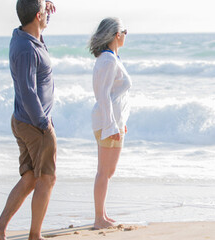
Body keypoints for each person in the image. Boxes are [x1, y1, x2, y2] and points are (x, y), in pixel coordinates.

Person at [0, 0, 57, 239]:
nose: (47, 16)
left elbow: (39, 29)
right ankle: (35, 235)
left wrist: (45, 8)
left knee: (29, 178)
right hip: (34, 124)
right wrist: (43, 124)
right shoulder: (27, 48)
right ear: (38, 16)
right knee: (46, 179)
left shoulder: (25, 38)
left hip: (23, 120)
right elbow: (28, 91)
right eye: (44, 14)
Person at [88, 17, 132, 229]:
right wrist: (111, 125)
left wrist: (120, 122)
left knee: (107, 171)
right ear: (117, 34)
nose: (126, 35)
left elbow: (115, 96)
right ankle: (99, 219)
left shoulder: (112, 58)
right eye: (125, 31)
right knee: (104, 171)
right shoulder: (108, 60)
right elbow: (103, 96)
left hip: (112, 121)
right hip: (107, 123)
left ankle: (102, 214)